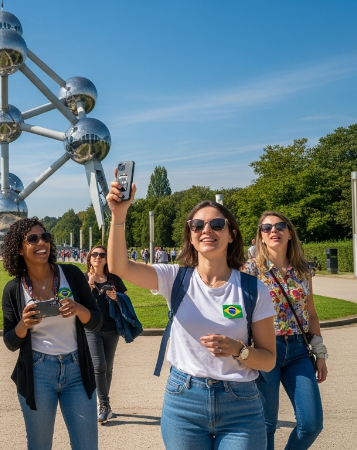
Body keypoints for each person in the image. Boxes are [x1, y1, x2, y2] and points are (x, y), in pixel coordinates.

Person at [106, 176, 277, 449]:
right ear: (190, 236)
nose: (206, 229)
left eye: (217, 224)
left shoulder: (252, 289)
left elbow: (268, 360)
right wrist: (119, 215)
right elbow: (118, 266)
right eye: (197, 225)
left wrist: (239, 349)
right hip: (184, 401)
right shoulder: (175, 278)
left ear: (232, 234)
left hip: (240, 405)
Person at [1, 217, 102, 449]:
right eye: (33, 239)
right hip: (38, 373)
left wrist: (79, 309)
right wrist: (24, 324)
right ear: (19, 248)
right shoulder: (14, 289)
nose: (42, 243)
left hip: (77, 370)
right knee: (39, 445)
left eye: (45, 237)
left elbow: (96, 322)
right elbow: (10, 342)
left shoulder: (72, 275)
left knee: (87, 445)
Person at [242, 211, 326, 450]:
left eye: (280, 226)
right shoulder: (250, 270)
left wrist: (320, 353)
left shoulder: (302, 270)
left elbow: (311, 314)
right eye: (266, 227)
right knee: (267, 424)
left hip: (299, 350)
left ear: (290, 233)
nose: (273, 231)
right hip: (265, 349)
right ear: (260, 235)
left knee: (311, 424)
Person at [85, 244, 128, 424]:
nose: (98, 257)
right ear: (89, 258)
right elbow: (76, 301)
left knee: (108, 367)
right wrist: (90, 285)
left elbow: (125, 297)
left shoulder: (113, 279)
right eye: (95, 254)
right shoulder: (83, 278)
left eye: (102, 254)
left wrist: (117, 297)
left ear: (106, 259)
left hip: (111, 328)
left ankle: (105, 405)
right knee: (99, 366)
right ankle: (103, 404)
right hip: (92, 327)